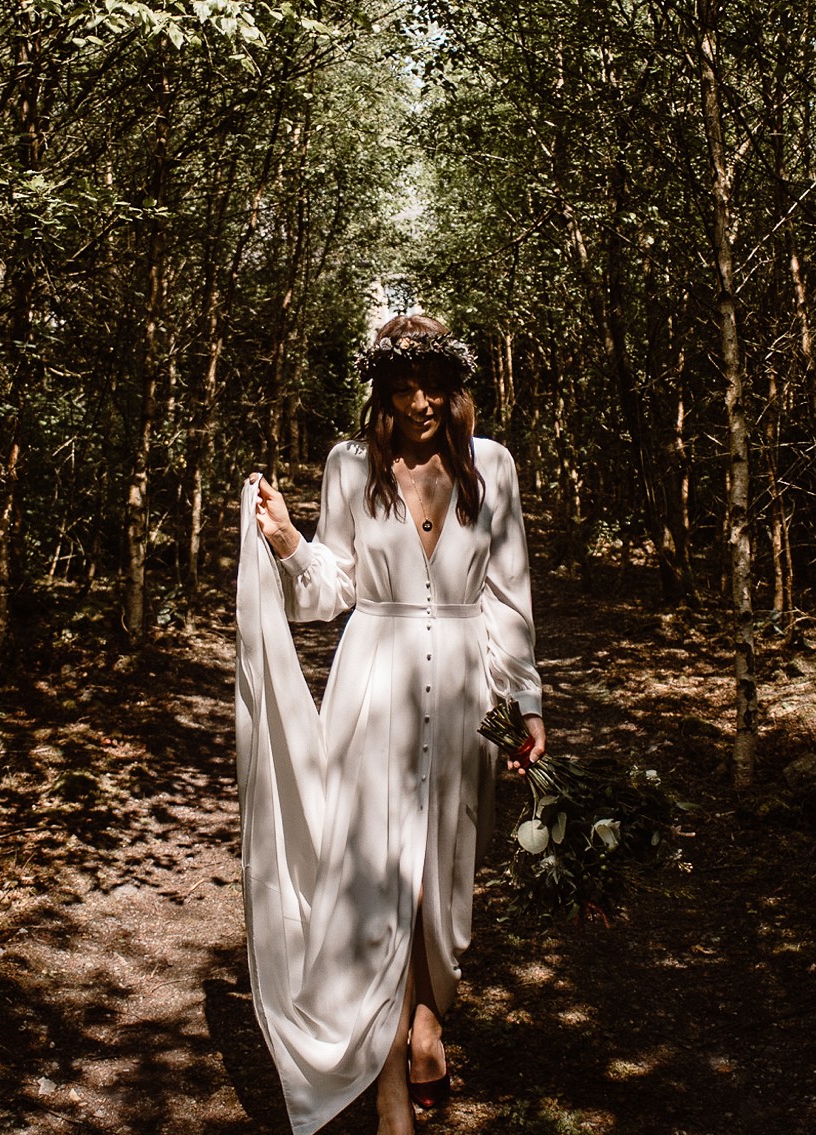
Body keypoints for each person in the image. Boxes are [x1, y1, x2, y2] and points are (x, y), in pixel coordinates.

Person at [234, 313, 545, 1135]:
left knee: (441, 877)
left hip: (468, 691)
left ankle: (427, 1016)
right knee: (381, 871)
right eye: (403, 385)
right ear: (382, 391)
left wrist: (528, 702)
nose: (420, 400)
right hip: (373, 681)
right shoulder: (350, 465)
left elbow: (510, 600)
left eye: (434, 382)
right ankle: (389, 1086)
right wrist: (293, 542)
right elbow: (328, 589)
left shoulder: (493, 467)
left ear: (455, 383)